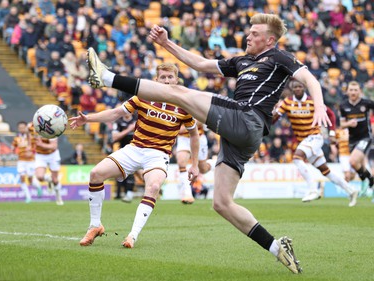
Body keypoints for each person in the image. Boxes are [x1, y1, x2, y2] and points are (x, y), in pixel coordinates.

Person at [85, 13, 333, 274]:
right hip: (239, 136)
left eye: (255, 33)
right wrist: (166, 44)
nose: (248, 35)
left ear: (270, 39)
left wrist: (319, 105)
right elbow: (201, 64)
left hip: (247, 119)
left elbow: (310, 80)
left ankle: (108, 78)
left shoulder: (279, 57)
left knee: (178, 93)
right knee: (222, 203)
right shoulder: (242, 61)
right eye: (248, 31)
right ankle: (276, 247)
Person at [69, 63, 200, 248]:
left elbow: (194, 135)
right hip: (135, 148)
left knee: (153, 186)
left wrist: (194, 165)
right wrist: (87, 118)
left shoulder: (184, 105)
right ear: (156, 80)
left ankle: (132, 236)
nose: (167, 80)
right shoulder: (143, 97)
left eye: (170, 77)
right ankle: (95, 226)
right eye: (163, 77)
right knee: (95, 174)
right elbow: (115, 113)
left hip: (159, 154)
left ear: (177, 79)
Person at [273, 80, 358, 206]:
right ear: (292, 89)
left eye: (300, 86)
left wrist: (332, 133)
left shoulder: (313, 101)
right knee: (325, 171)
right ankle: (351, 190)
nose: (297, 89)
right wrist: (272, 114)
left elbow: (330, 114)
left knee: (297, 158)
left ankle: (313, 189)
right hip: (304, 141)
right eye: (295, 87)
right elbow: (274, 119)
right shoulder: (287, 102)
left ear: (304, 88)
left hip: (315, 137)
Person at [340, 81, 374, 189]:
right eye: (351, 90)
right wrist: (349, 123)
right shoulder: (343, 106)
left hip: (365, 137)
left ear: (360, 91)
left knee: (353, 161)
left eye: (355, 90)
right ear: (347, 91)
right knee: (356, 165)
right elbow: (342, 124)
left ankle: (366, 180)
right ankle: (370, 179)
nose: (353, 92)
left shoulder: (367, 103)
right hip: (352, 139)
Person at [176, 122, 212, 204]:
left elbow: (201, 119)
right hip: (183, 138)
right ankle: (187, 194)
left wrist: (185, 127)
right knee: (181, 162)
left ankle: (213, 163)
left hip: (198, 137)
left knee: (203, 169)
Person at [29, 123, 64, 205]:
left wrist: (42, 144)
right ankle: (48, 178)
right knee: (40, 177)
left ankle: (58, 196)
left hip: (53, 155)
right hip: (40, 155)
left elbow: (54, 146)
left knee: (55, 180)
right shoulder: (30, 126)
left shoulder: (52, 128)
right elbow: (29, 136)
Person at [111, 112, 137, 202]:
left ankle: (154, 191)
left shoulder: (137, 119)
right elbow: (115, 137)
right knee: (124, 173)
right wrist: (128, 130)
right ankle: (126, 193)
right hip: (124, 151)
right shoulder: (118, 122)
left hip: (138, 149)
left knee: (139, 173)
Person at [12, 121, 37, 203]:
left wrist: (32, 151)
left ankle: (38, 186)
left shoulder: (31, 137)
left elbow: (36, 146)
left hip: (30, 160)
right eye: (20, 128)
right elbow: (13, 147)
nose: (22, 129)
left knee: (30, 179)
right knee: (22, 178)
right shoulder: (17, 139)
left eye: (23, 127)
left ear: (26, 127)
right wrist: (13, 150)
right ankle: (28, 197)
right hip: (21, 161)